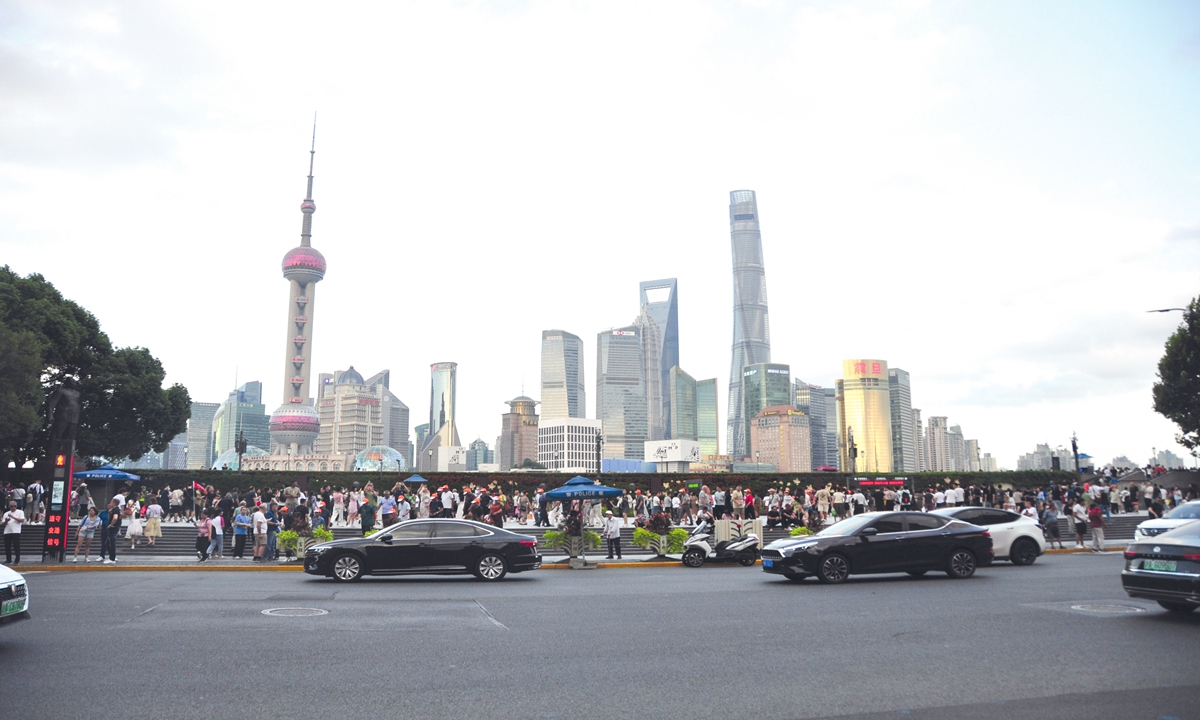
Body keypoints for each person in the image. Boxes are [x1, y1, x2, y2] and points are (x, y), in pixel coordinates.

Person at [2, 500, 24, 565]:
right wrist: (6, 521)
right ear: (9, 507)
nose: (13, 507)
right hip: (7, 531)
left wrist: (13, 517)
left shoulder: (20, 512)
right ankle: (8, 559)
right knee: (7, 546)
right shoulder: (6, 513)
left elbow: (22, 520)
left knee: (16, 546)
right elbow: (2, 523)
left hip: (16, 531)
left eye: (14, 506)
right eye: (11, 506)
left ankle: (17, 560)